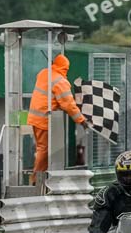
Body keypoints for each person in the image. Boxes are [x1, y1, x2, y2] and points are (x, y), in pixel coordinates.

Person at [27, 54, 88, 183]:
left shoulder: (44, 73)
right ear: (65, 68)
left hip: (34, 117)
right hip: (44, 119)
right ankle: (36, 179)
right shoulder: (60, 81)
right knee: (44, 150)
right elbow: (68, 105)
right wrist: (82, 120)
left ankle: (39, 177)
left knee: (41, 149)